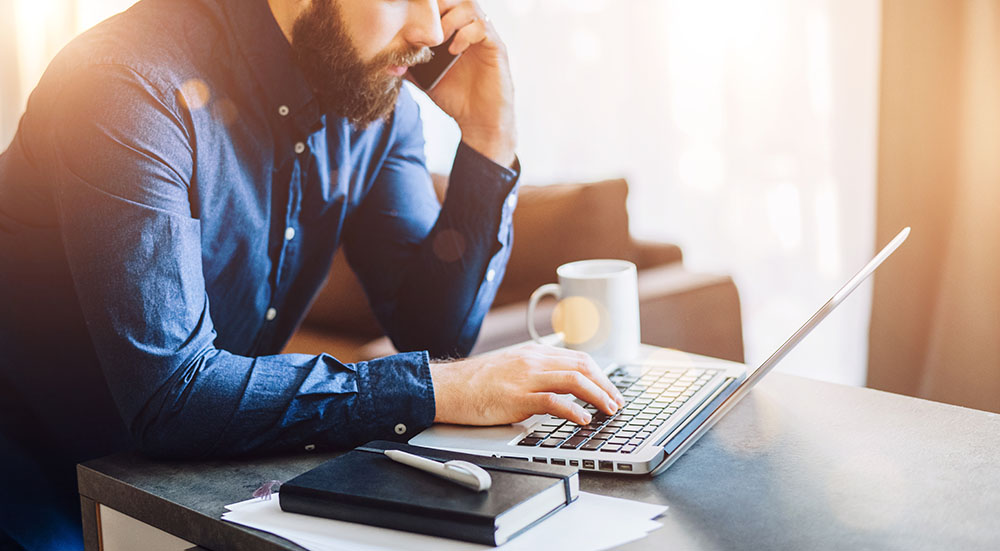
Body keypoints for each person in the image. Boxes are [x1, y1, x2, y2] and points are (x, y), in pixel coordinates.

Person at [0, 0, 625, 549]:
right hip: (31, 478)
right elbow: (174, 396)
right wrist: (447, 389)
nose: (431, 30)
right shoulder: (124, 81)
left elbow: (432, 331)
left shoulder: (370, 92)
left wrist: (490, 137)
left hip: (186, 478)